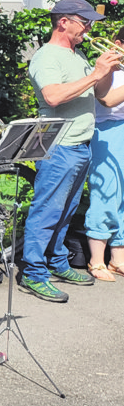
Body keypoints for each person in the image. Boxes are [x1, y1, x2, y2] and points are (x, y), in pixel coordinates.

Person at [20, 0, 120, 302]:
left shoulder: (77, 55)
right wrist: (93, 74)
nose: (89, 28)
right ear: (64, 22)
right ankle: (33, 273)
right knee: (47, 210)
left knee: (66, 211)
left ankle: (58, 261)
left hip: (80, 143)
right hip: (57, 144)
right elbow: (52, 96)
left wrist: (106, 70)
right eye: (85, 21)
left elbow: (103, 97)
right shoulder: (47, 57)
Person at [84, 28, 124, 281]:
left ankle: (117, 258)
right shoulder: (104, 70)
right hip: (107, 133)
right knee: (106, 194)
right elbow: (107, 100)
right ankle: (96, 260)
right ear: (118, 44)